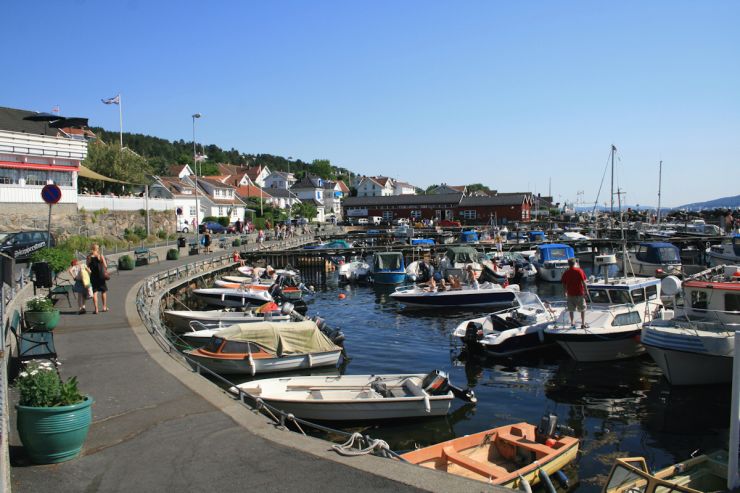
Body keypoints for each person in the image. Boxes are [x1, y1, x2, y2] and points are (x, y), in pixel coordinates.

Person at [561, 258, 588, 329]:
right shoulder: (579, 271)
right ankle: (583, 323)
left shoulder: (566, 272)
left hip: (570, 294)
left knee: (571, 310)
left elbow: (564, 284)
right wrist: (586, 291)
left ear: (568, 264)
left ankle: (572, 323)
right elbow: (584, 282)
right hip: (579, 293)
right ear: (575, 263)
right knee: (583, 309)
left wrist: (565, 292)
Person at [87, 243, 109, 314]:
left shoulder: (89, 257)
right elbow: (105, 266)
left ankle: (96, 309)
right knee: (103, 291)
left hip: (93, 276)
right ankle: (104, 307)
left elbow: (87, 267)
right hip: (101, 276)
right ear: (97, 249)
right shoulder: (100, 256)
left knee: (95, 292)